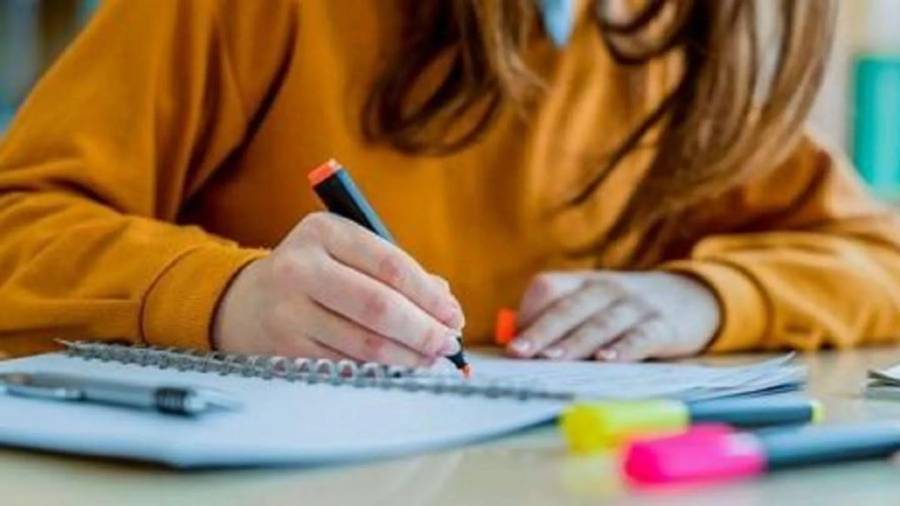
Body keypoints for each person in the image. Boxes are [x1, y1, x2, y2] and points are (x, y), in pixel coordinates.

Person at [0, 0, 896, 365]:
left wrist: (703, 297)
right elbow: (19, 221)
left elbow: (879, 256)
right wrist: (225, 297)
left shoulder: (667, 48)